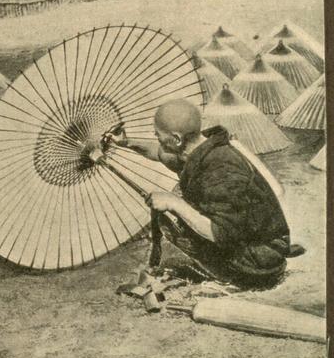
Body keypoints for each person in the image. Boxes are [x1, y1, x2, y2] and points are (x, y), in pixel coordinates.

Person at [108, 98, 304, 289]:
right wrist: (126, 142)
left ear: (177, 139)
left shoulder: (221, 170)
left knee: (168, 218)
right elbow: (162, 153)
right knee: (177, 205)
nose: (156, 138)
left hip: (261, 260)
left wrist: (174, 203)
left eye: (158, 135)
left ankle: (235, 280)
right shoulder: (203, 148)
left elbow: (221, 234)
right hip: (251, 237)